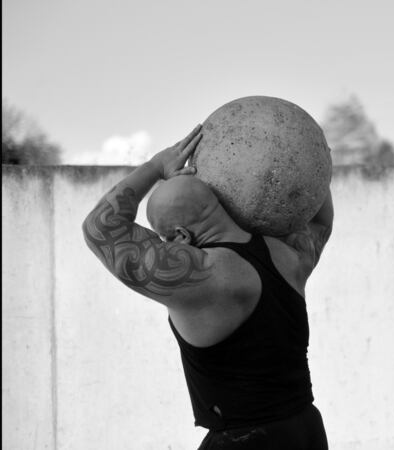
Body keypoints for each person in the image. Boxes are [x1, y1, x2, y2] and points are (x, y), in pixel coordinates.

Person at [82, 124, 332, 449]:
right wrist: (314, 163)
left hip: (244, 440)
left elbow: (101, 227)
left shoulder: (203, 278)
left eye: (163, 238)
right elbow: (320, 223)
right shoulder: (289, 255)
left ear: (181, 237)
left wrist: (156, 166)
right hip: (305, 429)